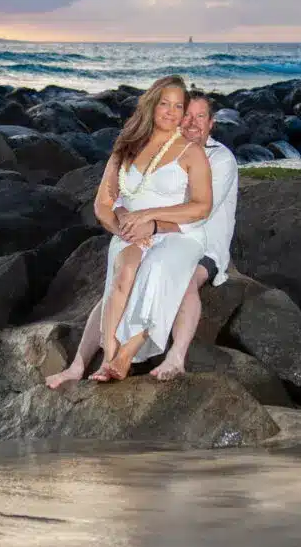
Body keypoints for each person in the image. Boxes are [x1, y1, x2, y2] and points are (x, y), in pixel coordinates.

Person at [46, 91, 238, 387]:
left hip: (205, 242)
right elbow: (125, 196)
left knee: (181, 282)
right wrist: (129, 220)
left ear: (211, 124)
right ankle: (78, 365)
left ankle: (176, 357)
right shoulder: (161, 150)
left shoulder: (219, 158)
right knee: (116, 285)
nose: (192, 123)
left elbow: (201, 213)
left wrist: (150, 225)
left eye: (201, 117)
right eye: (186, 115)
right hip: (156, 232)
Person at [73, 75, 214, 383]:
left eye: (179, 106)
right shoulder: (126, 148)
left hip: (178, 232)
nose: (171, 112)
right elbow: (103, 203)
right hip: (130, 231)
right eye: (165, 103)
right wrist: (123, 229)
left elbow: (202, 206)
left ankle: (124, 357)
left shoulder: (191, 152)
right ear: (151, 105)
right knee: (124, 272)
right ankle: (108, 356)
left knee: (156, 268)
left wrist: (151, 218)